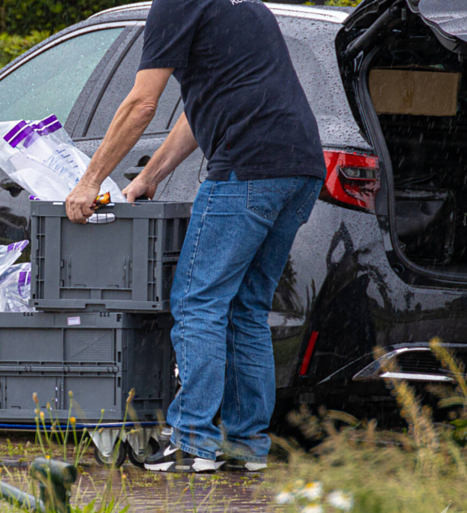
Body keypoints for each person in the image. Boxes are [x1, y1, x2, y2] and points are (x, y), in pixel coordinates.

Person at [65, 0, 326, 473]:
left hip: (247, 168)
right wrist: (152, 176)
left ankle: (193, 443)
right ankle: (246, 445)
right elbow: (198, 109)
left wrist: (89, 181)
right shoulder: (242, 5)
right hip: (301, 167)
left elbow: (141, 102)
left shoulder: (176, 3)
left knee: (197, 301)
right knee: (247, 307)